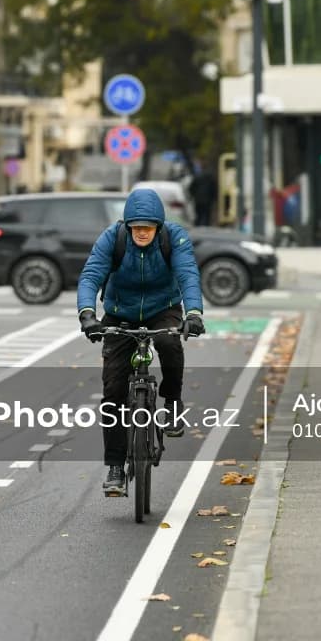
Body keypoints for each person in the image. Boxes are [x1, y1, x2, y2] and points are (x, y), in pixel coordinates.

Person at [76, 188, 206, 496]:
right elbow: (91, 274)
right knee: (113, 391)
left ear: (159, 226)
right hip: (121, 312)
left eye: (148, 227)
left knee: (170, 344)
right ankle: (116, 468)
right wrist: (87, 315)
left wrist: (195, 313)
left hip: (164, 308)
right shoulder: (113, 238)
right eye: (136, 228)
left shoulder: (173, 238)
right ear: (127, 226)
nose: (142, 233)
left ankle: (173, 402)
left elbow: (188, 274)